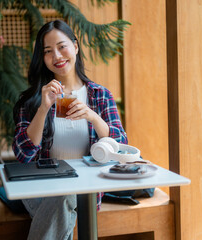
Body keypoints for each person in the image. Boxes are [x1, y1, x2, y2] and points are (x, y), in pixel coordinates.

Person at [12, 20, 127, 240]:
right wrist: (44, 107)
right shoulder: (33, 100)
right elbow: (23, 154)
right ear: (42, 58)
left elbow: (121, 145)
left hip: (85, 189)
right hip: (39, 188)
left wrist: (92, 117)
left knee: (65, 198)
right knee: (63, 199)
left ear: (75, 47)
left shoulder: (99, 95)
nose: (56, 56)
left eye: (61, 46)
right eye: (47, 51)